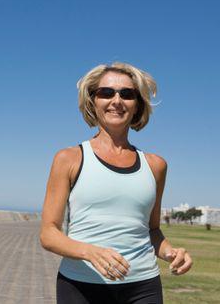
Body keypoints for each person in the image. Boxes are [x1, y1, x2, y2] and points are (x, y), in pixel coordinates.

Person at [40, 62, 192, 304]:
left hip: (143, 286)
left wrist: (171, 252)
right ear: (93, 100)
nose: (117, 100)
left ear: (137, 105)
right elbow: (48, 233)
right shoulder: (69, 158)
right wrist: (90, 252)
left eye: (127, 94)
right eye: (106, 92)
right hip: (81, 285)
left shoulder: (155, 166)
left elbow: (152, 231)